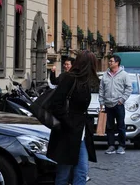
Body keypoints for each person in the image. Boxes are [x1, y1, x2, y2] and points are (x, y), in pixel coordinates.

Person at [47, 51, 98, 185]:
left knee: (82, 172)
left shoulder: (85, 81)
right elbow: (56, 104)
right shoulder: (69, 78)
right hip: (67, 133)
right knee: (64, 173)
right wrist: (69, 123)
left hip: (80, 133)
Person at [99, 54, 132, 155]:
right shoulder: (105, 74)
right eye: (109, 61)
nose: (109, 63)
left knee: (121, 126)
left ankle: (121, 146)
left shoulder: (124, 75)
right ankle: (111, 146)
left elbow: (129, 88)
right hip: (108, 104)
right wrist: (101, 102)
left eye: (111, 61)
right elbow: (101, 89)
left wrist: (122, 100)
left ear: (117, 63)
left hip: (118, 104)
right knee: (109, 126)